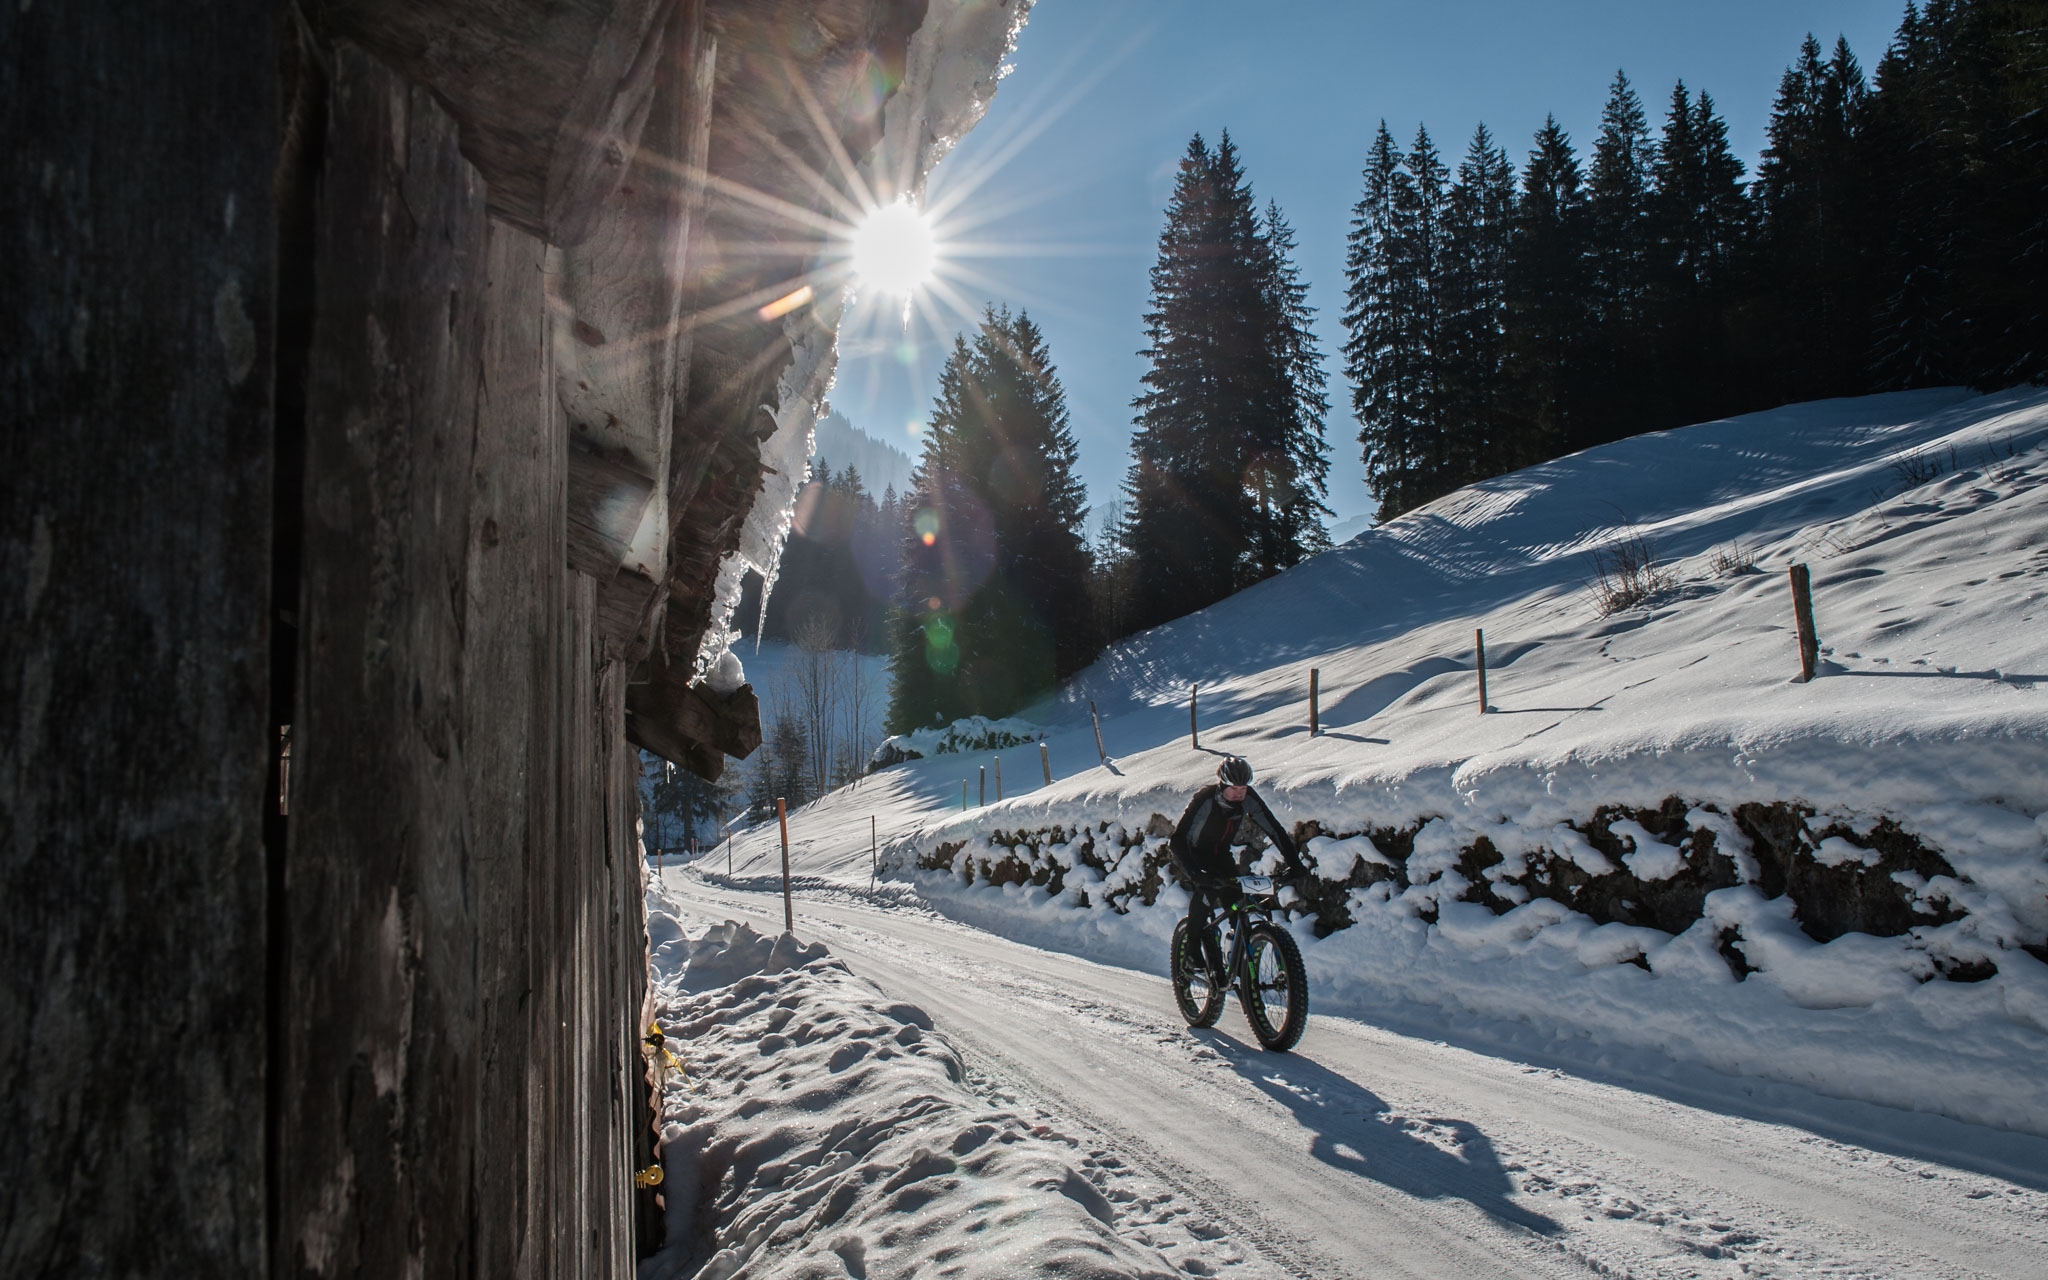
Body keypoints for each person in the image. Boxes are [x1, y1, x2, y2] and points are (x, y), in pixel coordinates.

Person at [1168, 756, 1308, 980]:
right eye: (1234, 788)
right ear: (1222, 785)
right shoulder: (1205, 798)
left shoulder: (1248, 799)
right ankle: (1192, 948)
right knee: (1207, 892)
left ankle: (1239, 959)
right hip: (1194, 855)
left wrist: (1294, 863)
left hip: (1221, 855)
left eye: (1243, 788)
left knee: (1236, 901)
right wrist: (1195, 873)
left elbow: (1275, 830)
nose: (1240, 793)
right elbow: (1177, 841)